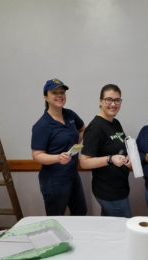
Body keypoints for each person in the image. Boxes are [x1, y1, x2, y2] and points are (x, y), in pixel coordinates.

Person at [31, 78, 87, 216]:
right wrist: (58, 158)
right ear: (46, 97)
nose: (59, 95)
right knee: (56, 217)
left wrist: (75, 145)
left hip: (72, 175)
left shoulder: (70, 115)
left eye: (62, 92)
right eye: (54, 92)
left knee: (80, 212)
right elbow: (37, 155)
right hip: (53, 180)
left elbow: (83, 129)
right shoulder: (42, 125)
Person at [80, 84, 131, 218]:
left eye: (117, 100)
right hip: (109, 192)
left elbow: (120, 148)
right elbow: (84, 163)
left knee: (110, 229)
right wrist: (110, 159)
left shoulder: (115, 123)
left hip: (120, 187)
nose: (113, 104)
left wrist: (129, 157)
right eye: (108, 99)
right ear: (101, 101)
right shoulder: (95, 127)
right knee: (123, 230)